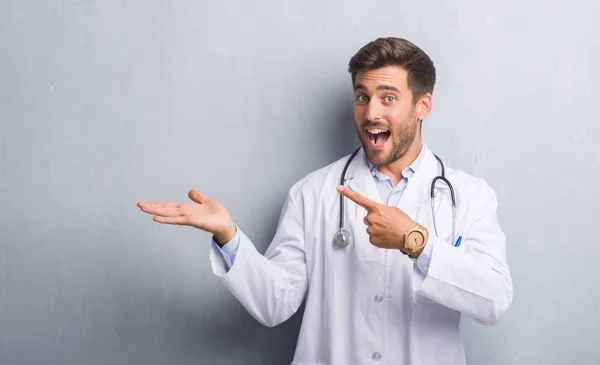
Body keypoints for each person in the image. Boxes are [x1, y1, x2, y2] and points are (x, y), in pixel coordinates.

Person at [137, 37, 513, 365]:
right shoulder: (313, 193)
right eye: (362, 97)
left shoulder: (468, 196)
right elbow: (274, 302)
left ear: (423, 106)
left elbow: (493, 300)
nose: (371, 113)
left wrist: (417, 242)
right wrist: (228, 237)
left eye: (388, 98)